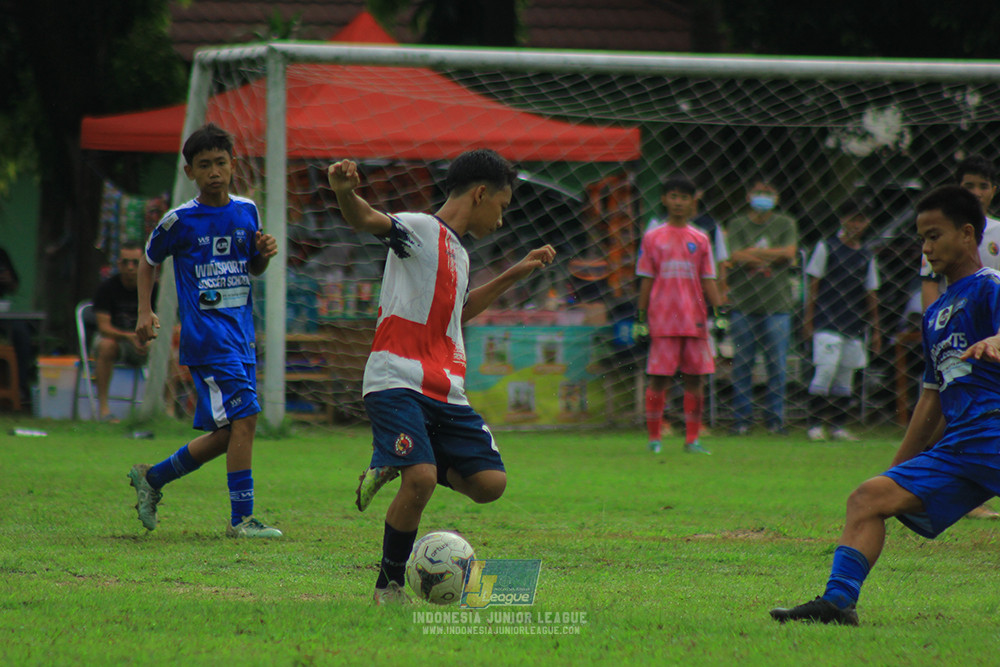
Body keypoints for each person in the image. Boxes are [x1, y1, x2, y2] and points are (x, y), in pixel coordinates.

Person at [326, 149, 556, 605]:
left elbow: (460, 311)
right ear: (480, 193)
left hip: (446, 388)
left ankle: (395, 457)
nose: (503, 219)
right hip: (396, 378)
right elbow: (366, 219)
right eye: (503, 206)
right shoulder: (420, 229)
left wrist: (515, 272)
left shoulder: (460, 253)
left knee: (490, 484)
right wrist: (343, 191)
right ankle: (388, 586)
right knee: (423, 479)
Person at [770, 185, 1000, 626]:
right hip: (959, 447)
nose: (926, 247)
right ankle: (838, 603)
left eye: (934, 236)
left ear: (968, 234)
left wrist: (994, 339)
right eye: (921, 238)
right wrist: (895, 470)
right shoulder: (936, 313)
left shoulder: (990, 288)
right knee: (868, 497)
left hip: (993, 430)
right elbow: (931, 398)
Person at [128, 123, 282, 538]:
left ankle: (153, 478)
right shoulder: (180, 220)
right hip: (208, 339)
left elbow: (251, 267)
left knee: (229, 432)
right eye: (203, 165)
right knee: (246, 418)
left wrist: (262, 255)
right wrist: (145, 311)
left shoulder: (247, 211)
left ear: (233, 165)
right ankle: (242, 520)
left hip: (241, 337)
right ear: (189, 171)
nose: (213, 171)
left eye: (219, 162)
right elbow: (147, 259)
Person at [918, 155, 1000, 520]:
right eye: (970, 185)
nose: (978, 192)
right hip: (959, 331)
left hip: (992, 326)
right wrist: (936, 324)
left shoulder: (993, 244)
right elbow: (931, 285)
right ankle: (964, 490)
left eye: (984, 185)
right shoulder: (938, 233)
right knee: (953, 401)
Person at [634, 176, 722, 455]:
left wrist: (719, 313)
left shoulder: (701, 238)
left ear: (692, 201)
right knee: (659, 378)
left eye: (684, 197)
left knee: (695, 378)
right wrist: (640, 316)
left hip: (694, 318)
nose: (678, 202)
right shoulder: (652, 237)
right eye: (673, 196)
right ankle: (654, 438)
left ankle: (692, 439)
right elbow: (646, 279)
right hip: (662, 319)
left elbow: (708, 278)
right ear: (664, 200)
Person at [803, 199, 882, 442]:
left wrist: (876, 329)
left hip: (854, 324)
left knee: (846, 377)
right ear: (843, 220)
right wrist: (808, 319)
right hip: (826, 321)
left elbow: (872, 293)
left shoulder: (867, 255)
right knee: (826, 370)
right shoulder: (826, 246)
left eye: (861, 219)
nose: (856, 224)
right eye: (852, 218)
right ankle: (814, 425)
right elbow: (813, 284)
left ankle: (837, 426)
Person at [725, 177, 799, 434]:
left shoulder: (786, 222)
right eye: (758, 191)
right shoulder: (737, 224)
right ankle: (742, 421)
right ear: (748, 195)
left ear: (777, 198)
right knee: (742, 364)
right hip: (743, 305)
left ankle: (775, 421)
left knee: (776, 365)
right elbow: (735, 256)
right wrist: (773, 255)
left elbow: (789, 254)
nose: (762, 196)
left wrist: (752, 255)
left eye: (768, 192)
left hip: (777, 306)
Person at [91, 240, 156, 422]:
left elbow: (166, 324)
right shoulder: (106, 288)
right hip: (119, 341)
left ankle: (165, 410)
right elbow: (103, 328)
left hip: (148, 342)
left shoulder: (155, 288)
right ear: (118, 263)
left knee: (174, 347)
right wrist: (130, 337)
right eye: (124, 262)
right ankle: (103, 409)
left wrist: (150, 339)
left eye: (135, 263)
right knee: (105, 346)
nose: (129, 268)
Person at [0, 246, 34, 408]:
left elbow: (14, 286)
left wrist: (9, 281)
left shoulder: (1, 253)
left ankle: (19, 386)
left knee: (21, 332)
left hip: (2, 312)